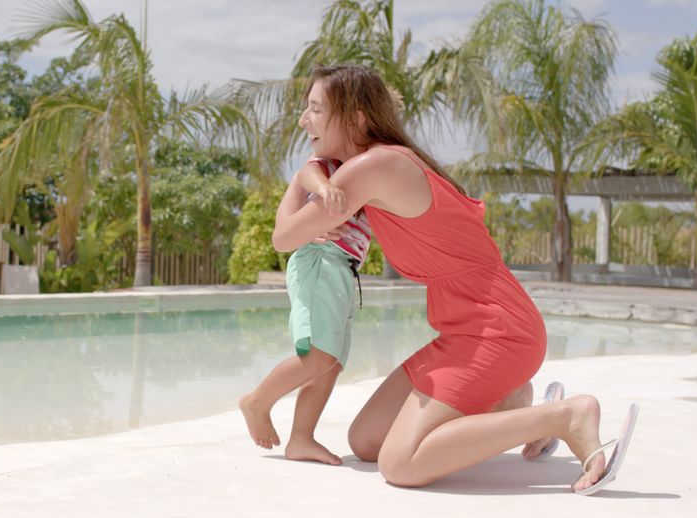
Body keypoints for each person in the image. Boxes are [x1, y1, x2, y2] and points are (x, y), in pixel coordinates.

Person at [271, 64, 638, 494]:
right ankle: (511, 401)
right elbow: (291, 233)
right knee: (366, 441)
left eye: (315, 109)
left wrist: (303, 186)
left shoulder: (373, 166)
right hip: (464, 329)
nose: (303, 120)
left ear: (355, 118)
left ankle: (567, 417)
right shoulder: (374, 165)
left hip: (497, 330)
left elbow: (283, 237)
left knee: (400, 464)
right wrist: (307, 181)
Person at [238, 156, 373, 466]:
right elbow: (306, 173)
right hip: (321, 258)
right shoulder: (335, 161)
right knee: (318, 354)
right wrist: (325, 187)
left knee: (331, 362)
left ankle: (301, 438)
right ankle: (257, 402)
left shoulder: (368, 165)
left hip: (344, 268)